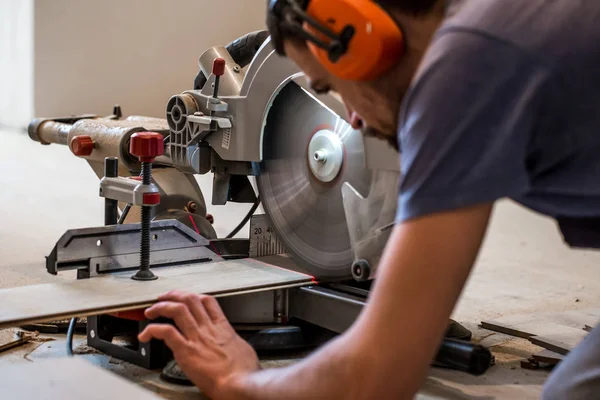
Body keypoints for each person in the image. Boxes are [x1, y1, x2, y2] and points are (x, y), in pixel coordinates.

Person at [138, 1, 600, 398]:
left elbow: (376, 376)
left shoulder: (464, 70)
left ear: (360, 39)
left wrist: (238, 382)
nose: (352, 119)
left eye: (331, 86)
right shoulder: (492, 21)